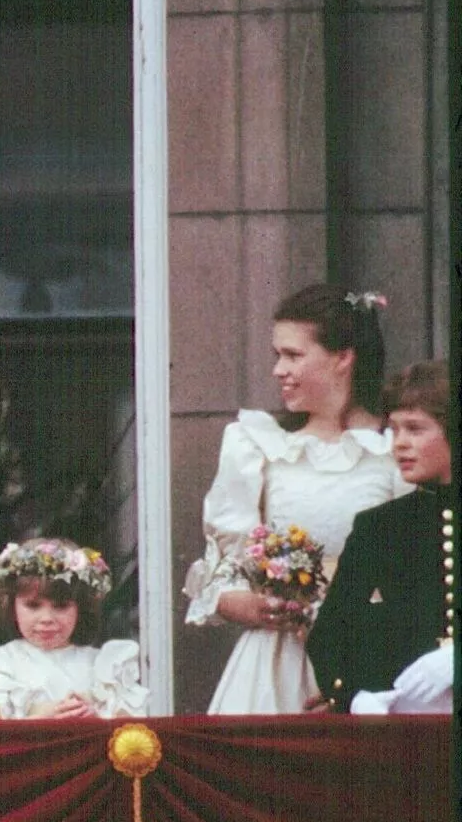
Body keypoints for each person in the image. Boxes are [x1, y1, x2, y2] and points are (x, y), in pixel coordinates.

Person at [183, 284, 410, 714]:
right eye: (277, 355)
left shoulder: (394, 447)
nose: (278, 370)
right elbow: (223, 567)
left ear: (343, 358)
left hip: (370, 660)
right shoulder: (258, 445)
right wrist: (247, 604)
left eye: (293, 355)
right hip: (277, 663)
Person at [307, 360, 456, 714]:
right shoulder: (380, 527)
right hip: (406, 726)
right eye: (394, 430)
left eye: (415, 429)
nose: (399, 444)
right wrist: (357, 697)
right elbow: (329, 638)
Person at [0, 538, 147, 720]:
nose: (47, 619)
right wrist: (41, 719)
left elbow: (131, 733)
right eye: (33, 606)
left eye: (61, 606)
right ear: (11, 605)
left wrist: (95, 719)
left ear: (80, 608)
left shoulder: (105, 668)